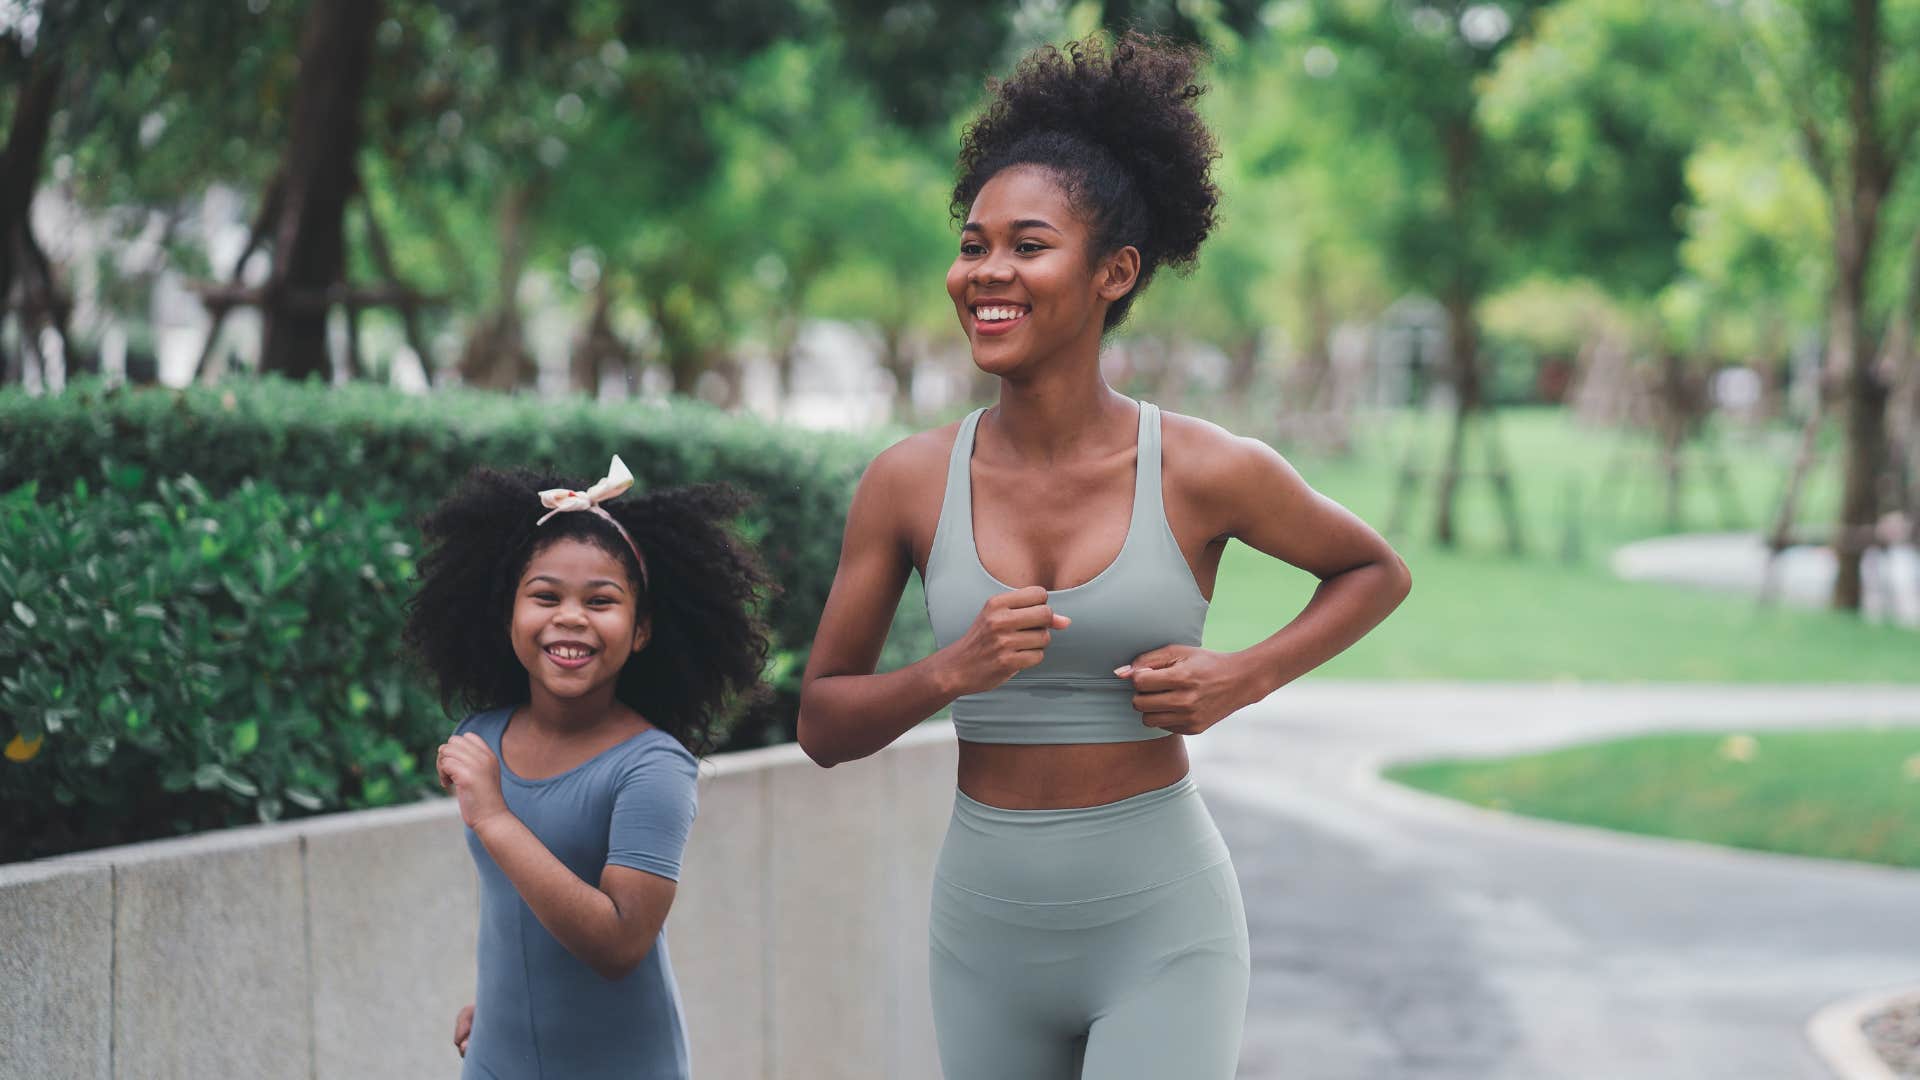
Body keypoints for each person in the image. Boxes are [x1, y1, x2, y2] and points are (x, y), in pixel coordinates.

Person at [796, 33, 1412, 1079]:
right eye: (973, 242)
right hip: (983, 933)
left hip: (1161, 926)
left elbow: (1373, 570)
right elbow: (821, 724)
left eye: (1026, 245)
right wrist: (953, 671)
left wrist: (1241, 677)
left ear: (1112, 272)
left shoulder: (1203, 469)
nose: (986, 272)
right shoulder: (907, 483)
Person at [404, 456, 770, 1079]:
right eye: (545, 596)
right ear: (507, 613)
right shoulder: (481, 738)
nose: (570, 616)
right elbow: (514, 914)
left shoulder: (652, 767)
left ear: (643, 628)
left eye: (601, 601)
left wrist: (494, 815)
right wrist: (503, 1005)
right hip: (497, 1061)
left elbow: (620, 942)